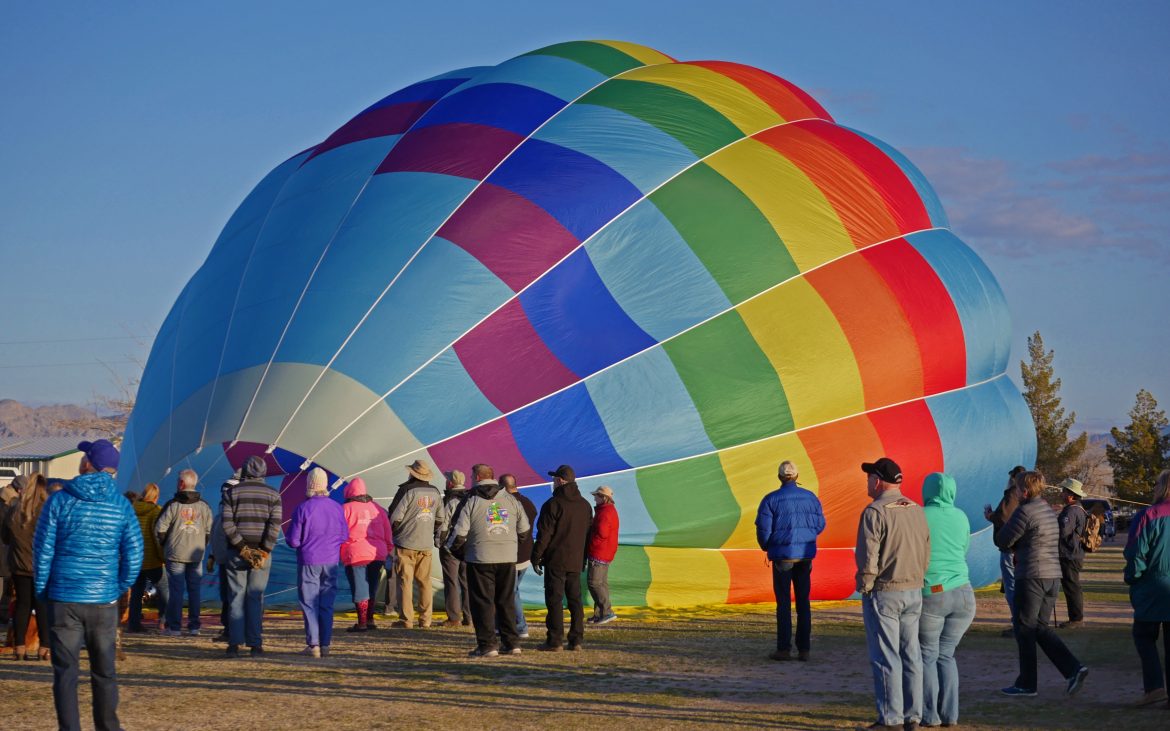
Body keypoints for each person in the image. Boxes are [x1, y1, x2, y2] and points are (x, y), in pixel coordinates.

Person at [34, 439, 142, 731]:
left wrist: (43, 590)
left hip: (64, 597)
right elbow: (134, 552)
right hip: (103, 599)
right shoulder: (121, 505)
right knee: (104, 671)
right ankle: (109, 727)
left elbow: (43, 550)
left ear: (87, 463)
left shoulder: (59, 500)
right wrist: (118, 586)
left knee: (66, 672)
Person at [996, 470, 1088, 697]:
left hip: (1032, 575)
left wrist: (997, 522)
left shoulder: (1025, 511)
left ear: (1024, 490)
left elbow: (1003, 540)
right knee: (1038, 628)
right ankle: (1072, 669)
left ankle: (1027, 684)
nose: (1016, 492)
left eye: (1017, 488)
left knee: (1025, 628)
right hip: (1052, 575)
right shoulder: (1047, 510)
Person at [855, 457, 931, 731]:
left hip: (885, 592)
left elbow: (868, 556)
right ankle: (913, 716)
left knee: (886, 655)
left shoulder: (874, 512)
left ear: (878, 480)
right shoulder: (916, 509)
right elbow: (926, 550)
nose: (866, 482)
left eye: (868, 477)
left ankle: (890, 719)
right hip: (913, 590)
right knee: (911, 654)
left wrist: (865, 585)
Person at [447, 464, 531, 658]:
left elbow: (458, 534)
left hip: (480, 558)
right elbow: (525, 531)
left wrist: (459, 553)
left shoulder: (470, 500)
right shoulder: (511, 499)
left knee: (482, 603)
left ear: (477, 477)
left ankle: (487, 645)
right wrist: (510, 546)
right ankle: (512, 643)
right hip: (507, 558)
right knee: (506, 601)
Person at [918, 472, 976, 728]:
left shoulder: (919, 516)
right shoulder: (961, 516)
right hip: (964, 593)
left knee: (928, 656)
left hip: (933, 593)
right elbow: (963, 549)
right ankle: (950, 715)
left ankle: (930, 715)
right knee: (946, 656)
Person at [755, 460, 825, 661]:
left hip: (782, 557)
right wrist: (807, 537)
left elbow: (763, 530)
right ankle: (804, 650)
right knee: (803, 601)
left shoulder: (770, 499)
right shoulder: (811, 498)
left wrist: (769, 546)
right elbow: (820, 525)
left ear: (779, 477)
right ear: (796, 477)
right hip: (804, 555)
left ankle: (783, 649)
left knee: (783, 602)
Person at [221, 455, 282, 657]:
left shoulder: (231, 493)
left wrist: (243, 549)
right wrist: (263, 550)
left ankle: (234, 644)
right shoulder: (273, 494)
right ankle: (255, 644)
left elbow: (227, 525)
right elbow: (274, 527)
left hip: (236, 553)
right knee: (255, 597)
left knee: (236, 597)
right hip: (263, 555)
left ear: (245, 471)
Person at [286, 468, 349, 657]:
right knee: (326, 604)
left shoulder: (303, 508)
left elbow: (293, 541)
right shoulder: (337, 507)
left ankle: (313, 644)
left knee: (309, 603)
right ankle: (326, 644)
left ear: (309, 485)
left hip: (309, 561)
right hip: (331, 561)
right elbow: (345, 536)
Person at [532, 464, 592, 652]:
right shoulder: (585, 505)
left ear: (560, 481)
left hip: (556, 560)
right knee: (575, 600)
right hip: (576, 560)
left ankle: (555, 640)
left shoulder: (553, 504)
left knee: (555, 600)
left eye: (554, 479)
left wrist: (536, 556)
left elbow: (544, 535)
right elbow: (588, 534)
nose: (552, 483)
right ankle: (576, 640)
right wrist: (583, 557)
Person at [1123, 469, 1170, 708]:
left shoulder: (1148, 516)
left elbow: (1135, 553)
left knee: (1144, 637)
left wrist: (1134, 577)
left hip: (1153, 585)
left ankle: (1154, 688)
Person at [156, 470, 213, 637]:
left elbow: (160, 530)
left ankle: (174, 627)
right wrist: (201, 545)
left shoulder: (173, 505)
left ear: (181, 484)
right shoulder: (204, 506)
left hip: (175, 554)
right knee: (195, 591)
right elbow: (209, 531)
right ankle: (194, 626)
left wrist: (166, 546)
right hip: (196, 555)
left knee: (176, 591)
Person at [388, 459, 444, 629]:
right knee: (424, 582)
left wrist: (395, 533)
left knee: (405, 582)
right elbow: (440, 519)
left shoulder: (406, 490)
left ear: (412, 473)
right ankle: (425, 620)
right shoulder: (435, 492)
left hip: (406, 543)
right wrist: (433, 536)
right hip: (425, 545)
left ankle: (406, 620)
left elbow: (395, 517)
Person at [2, 473, 51, 660]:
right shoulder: (47, 510)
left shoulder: (14, 510)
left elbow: (5, 538)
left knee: (22, 605)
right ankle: (44, 647)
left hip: (19, 564)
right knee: (41, 606)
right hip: (42, 566)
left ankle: (19, 646)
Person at [341, 476, 394, 632]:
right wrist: (388, 550)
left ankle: (362, 623)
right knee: (372, 586)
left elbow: (339, 533)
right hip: (377, 553)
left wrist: (339, 551)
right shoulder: (378, 509)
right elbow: (388, 533)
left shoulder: (346, 509)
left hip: (355, 553)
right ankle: (370, 620)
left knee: (360, 588)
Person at [984, 465, 1026, 637]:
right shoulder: (1026, 494)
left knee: (1011, 586)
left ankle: (1018, 623)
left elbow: (1003, 517)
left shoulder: (1013, 493)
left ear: (1014, 478)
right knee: (1019, 586)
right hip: (1022, 548)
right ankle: (1023, 622)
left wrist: (990, 516)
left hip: (1010, 549)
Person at [127, 483, 167, 633]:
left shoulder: (131, 510)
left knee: (136, 593)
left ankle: (133, 623)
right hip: (152, 559)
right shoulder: (156, 511)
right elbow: (157, 537)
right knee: (164, 590)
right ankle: (163, 621)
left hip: (135, 558)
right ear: (155, 497)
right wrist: (162, 557)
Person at [502, 473, 538, 639]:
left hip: (512, 554)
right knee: (510, 590)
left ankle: (521, 626)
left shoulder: (505, 504)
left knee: (511, 591)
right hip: (526, 554)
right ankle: (504, 624)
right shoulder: (529, 503)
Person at [438, 469, 472, 628]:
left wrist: (439, 542)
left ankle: (453, 617)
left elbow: (443, 525)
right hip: (468, 546)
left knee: (451, 581)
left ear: (450, 483)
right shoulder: (471, 498)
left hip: (451, 547)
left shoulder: (450, 501)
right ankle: (470, 616)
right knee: (467, 582)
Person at [586, 485, 621, 626]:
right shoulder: (608, 510)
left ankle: (606, 612)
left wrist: (591, 543)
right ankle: (599, 614)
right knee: (601, 583)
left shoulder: (605, 513)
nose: (594, 497)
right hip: (606, 551)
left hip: (599, 552)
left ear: (604, 498)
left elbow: (602, 532)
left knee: (594, 583)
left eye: (597, 495)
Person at [1056, 477, 1088, 629]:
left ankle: (1076, 619)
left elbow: (1062, 531)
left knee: (1072, 587)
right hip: (1073, 553)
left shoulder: (1071, 510)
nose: (1061, 494)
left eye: (1064, 491)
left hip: (1069, 554)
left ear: (1071, 494)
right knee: (1072, 586)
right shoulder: (1078, 508)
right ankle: (1075, 618)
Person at [207, 509, 230, 642]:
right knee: (228, 596)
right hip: (226, 559)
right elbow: (215, 538)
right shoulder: (219, 516)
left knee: (230, 596)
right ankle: (231, 627)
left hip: (229, 559)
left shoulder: (224, 516)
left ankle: (230, 629)